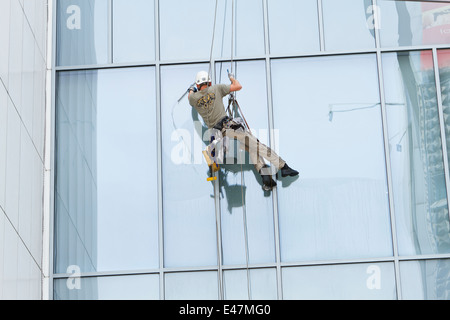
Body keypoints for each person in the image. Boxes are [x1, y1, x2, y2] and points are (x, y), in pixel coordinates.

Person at [188, 70, 298, 191]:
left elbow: (191, 98)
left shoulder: (193, 98)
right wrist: (232, 79)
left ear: (198, 85)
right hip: (229, 127)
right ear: (209, 81)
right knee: (256, 145)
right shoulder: (216, 88)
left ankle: (265, 175)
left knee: (251, 148)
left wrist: (192, 90)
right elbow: (238, 86)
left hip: (216, 135)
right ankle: (283, 166)